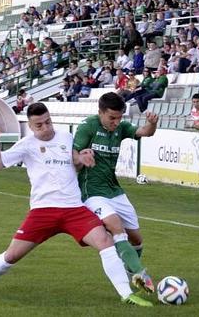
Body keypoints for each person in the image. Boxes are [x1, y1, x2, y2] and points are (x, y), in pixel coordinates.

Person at [0, 103, 152, 307]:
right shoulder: (26, 144)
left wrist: (81, 158)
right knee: (12, 255)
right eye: (39, 125)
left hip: (74, 209)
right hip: (43, 211)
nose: (46, 128)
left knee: (105, 241)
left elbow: (76, 159)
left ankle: (126, 294)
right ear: (30, 126)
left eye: (48, 122)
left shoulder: (66, 137)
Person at [73, 92, 159, 294]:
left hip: (114, 189)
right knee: (114, 226)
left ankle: (132, 271)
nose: (116, 122)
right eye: (112, 117)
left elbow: (145, 132)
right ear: (100, 112)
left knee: (136, 239)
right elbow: (73, 153)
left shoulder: (121, 127)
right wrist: (81, 158)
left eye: (119, 117)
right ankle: (140, 273)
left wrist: (152, 124)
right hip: (91, 191)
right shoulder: (88, 127)